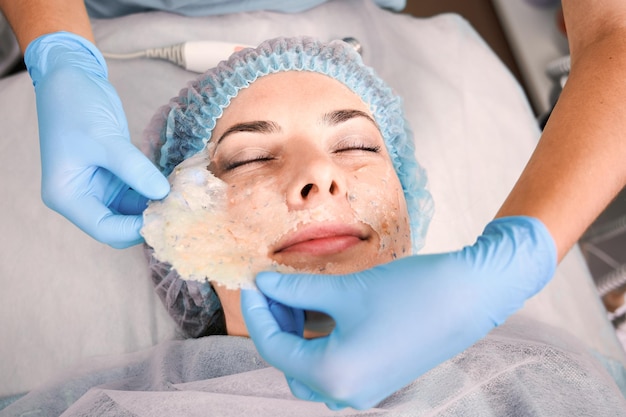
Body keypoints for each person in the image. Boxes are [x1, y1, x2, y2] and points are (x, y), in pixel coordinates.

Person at [0, 0, 624, 410]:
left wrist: (524, 250)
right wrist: (59, 50)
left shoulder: (549, 387)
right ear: (181, 238)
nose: (319, 174)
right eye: (247, 158)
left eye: (355, 144)